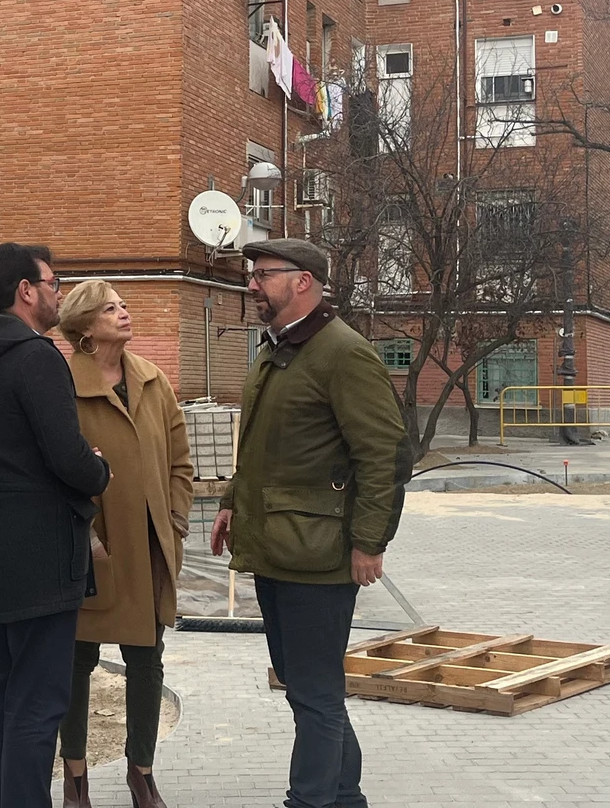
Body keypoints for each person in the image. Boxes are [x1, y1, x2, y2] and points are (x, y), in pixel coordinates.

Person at [210, 239, 410, 808]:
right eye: (253, 274)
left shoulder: (341, 352)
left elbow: (384, 456)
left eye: (263, 274)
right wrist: (232, 499)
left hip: (319, 555)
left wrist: (370, 541)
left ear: (304, 282)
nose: (252, 284)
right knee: (306, 689)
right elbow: (262, 446)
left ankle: (310, 801)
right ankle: (344, 798)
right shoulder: (276, 349)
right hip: (275, 545)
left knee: (316, 695)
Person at [0, 242, 111, 808]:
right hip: (41, 551)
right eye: (53, 282)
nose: (59, 293)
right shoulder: (36, 356)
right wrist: (98, 468)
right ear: (26, 289)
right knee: (38, 703)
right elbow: (67, 459)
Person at [54, 280, 194, 808]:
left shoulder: (153, 380)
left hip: (150, 548)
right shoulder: (62, 383)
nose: (124, 313)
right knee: (76, 663)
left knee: (147, 662)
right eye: (110, 308)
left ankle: (142, 774)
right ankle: (76, 779)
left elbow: (181, 462)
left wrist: (175, 519)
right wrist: (84, 533)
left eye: (123, 305)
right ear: (85, 327)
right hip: (92, 549)